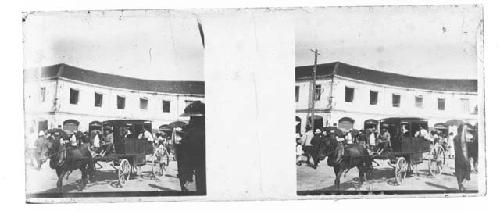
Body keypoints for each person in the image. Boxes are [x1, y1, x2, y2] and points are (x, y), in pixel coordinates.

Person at [176, 101, 206, 193]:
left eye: (191, 118)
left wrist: (185, 177)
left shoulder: (192, 133)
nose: (190, 120)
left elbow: (184, 157)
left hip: (197, 171)